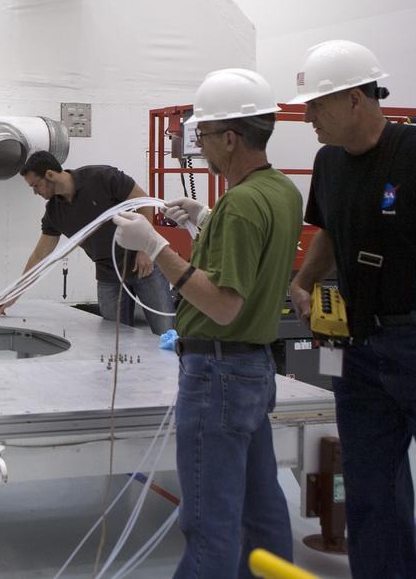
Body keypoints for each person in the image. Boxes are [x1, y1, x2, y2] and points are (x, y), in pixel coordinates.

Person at [110, 68, 302, 577]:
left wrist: (155, 246)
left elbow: (223, 305)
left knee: (209, 527)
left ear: (232, 138)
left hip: (217, 378)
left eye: (205, 137)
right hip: (254, 371)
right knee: (262, 513)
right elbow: (248, 256)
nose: (199, 148)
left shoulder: (240, 204)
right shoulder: (280, 192)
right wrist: (204, 221)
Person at [286, 40, 416, 578]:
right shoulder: (329, 163)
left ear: (354, 99)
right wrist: (302, 282)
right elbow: (326, 229)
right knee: (370, 494)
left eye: (316, 106)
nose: (307, 118)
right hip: (357, 349)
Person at [11, 152, 175, 334]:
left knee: (166, 332)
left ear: (50, 174)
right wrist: (12, 294)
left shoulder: (102, 178)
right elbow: (40, 256)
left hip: (145, 266)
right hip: (108, 275)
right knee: (114, 338)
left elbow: (144, 203)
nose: (35, 193)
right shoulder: (54, 213)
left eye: (36, 186)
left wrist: (144, 250)